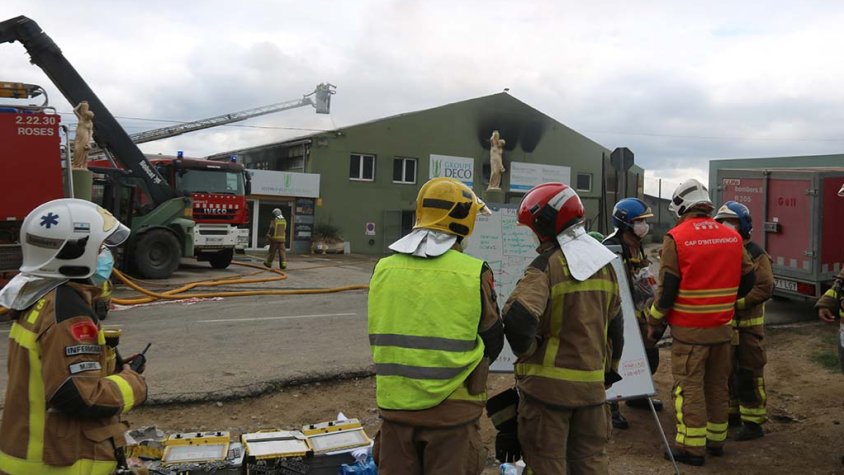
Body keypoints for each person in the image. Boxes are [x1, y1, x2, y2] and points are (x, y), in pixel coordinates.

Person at [0, 199, 148, 475]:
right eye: (101, 248)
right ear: (77, 252)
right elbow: (78, 397)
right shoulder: (67, 311)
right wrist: (133, 384)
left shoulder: (38, 297)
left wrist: (107, 369)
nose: (105, 256)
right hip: (59, 464)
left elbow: (54, 370)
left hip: (29, 456)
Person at [368, 177, 504, 475]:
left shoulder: (384, 268)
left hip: (395, 410)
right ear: (464, 220)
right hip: (451, 416)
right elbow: (494, 339)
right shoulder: (473, 272)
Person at [502, 182, 623, 474]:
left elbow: (518, 319)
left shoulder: (547, 265)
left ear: (545, 224)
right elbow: (616, 327)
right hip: (592, 393)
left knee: (547, 465)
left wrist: (530, 351)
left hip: (548, 395)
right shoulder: (603, 265)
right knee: (590, 464)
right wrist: (608, 370)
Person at [645, 179, 755, 466]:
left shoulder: (676, 237)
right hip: (722, 329)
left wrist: (654, 321)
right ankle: (716, 440)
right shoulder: (731, 236)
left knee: (689, 387)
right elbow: (748, 280)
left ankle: (691, 449)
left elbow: (667, 288)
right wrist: (725, 299)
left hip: (690, 332)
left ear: (682, 205)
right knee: (717, 385)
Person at [714, 201, 774, 441]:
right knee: (727, 373)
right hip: (727, 327)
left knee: (749, 373)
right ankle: (732, 414)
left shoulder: (757, 254)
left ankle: (753, 422)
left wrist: (736, 304)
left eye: (733, 222)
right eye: (723, 222)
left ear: (745, 225)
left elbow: (764, 287)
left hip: (748, 329)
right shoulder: (722, 250)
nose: (727, 227)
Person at [602, 198, 663, 430]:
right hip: (616, 314)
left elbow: (641, 276)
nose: (643, 226)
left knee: (650, 357)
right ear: (625, 222)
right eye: (639, 221)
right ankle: (611, 406)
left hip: (638, 314)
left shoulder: (636, 244)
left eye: (644, 221)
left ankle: (637, 396)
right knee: (614, 360)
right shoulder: (611, 246)